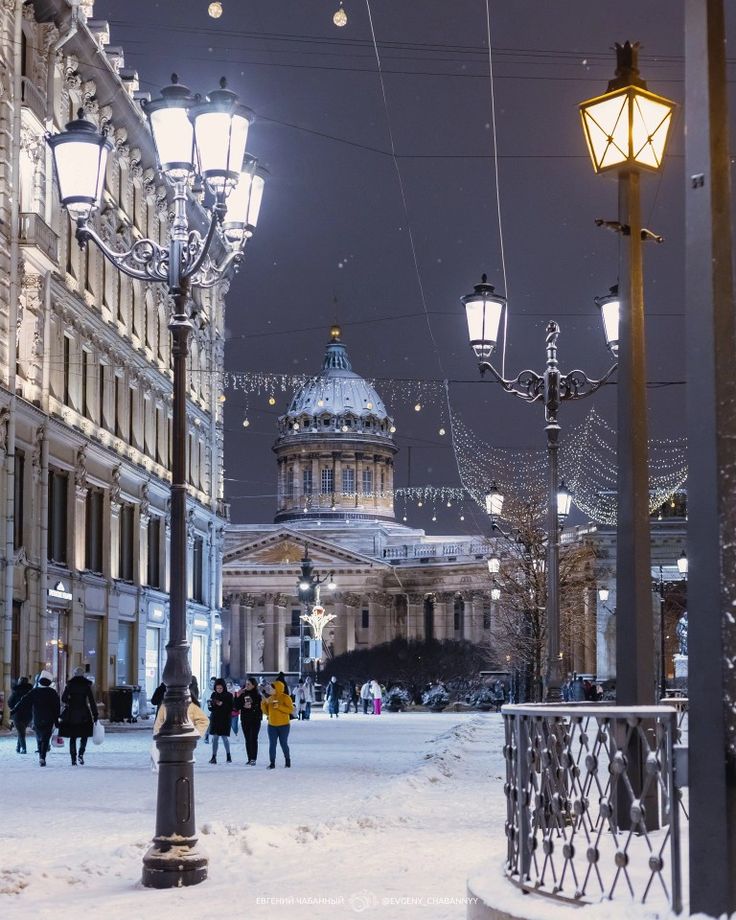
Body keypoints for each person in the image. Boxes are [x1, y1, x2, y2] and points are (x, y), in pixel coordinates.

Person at [151, 693, 209, 773]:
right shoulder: (164, 706)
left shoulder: (191, 706)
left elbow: (204, 720)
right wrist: (158, 736)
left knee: (182, 765)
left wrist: (196, 734)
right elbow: (159, 723)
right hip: (167, 739)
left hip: (184, 740)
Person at [12, 670, 60, 766]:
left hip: (37, 718)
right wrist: (57, 720)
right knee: (46, 738)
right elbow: (56, 708)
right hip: (49, 719)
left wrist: (14, 709)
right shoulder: (53, 693)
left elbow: (24, 701)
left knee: (39, 736)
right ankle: (42, 756)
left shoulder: (34, 692)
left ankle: (40, 755)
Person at [59, 667, 98, 765]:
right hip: (84, 713)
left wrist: (69, 702)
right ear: (83, 674)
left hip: (71, 713)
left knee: (73, 736)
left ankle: (73, 759)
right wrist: (95, 714)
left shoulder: (70, 684)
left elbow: (63, 698)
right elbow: (92, 701)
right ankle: (81, 753)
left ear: (74, 674)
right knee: (84, 734)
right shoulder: (86, 685)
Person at [261, 679, 293, 768]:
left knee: (283, 743)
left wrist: (279, 706)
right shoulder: (270, 698)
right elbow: (267, 713)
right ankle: (272, 763)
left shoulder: (286, 697)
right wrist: (263, 704)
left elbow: (290, 710)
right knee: (272, 744)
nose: (270, 690)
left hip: (284, 725)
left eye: (272, 688)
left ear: (277, 688)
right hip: (272, 725)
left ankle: (287, 760)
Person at [208, 678, 233, 764]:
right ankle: (213, 756)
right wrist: (210, 706)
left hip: (225, 719)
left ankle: (228, 755)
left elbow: (231, 708)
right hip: (215, 719)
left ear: (224, 687)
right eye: (217, 688)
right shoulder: (213, 695)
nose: (219, 690)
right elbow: (211, 708)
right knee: (215, 738)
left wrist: (222, 704)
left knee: (224, 738)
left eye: (220, 688)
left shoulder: (229, 695)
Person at [238, 677, 262, 764]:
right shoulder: (243, 694)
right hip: (245, 719)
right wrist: (238, 695)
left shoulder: (258, 695)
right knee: (247, 739)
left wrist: (252, 707)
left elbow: (260, 708)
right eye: (246, 684)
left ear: (253, 685)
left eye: (249, 684)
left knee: (253, 738)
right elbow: (236, 706)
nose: (246, 686)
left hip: (255, 720)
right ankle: (249, 758)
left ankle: (253, 759)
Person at [8, 676, 32, 754]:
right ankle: (18, 747)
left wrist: (14, 708)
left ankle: (24, 749)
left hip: (17, 714)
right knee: (21, 730)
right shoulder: (30, 691)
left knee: (21, 732)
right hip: (28, 714)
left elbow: (10, 702)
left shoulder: (16, 691)